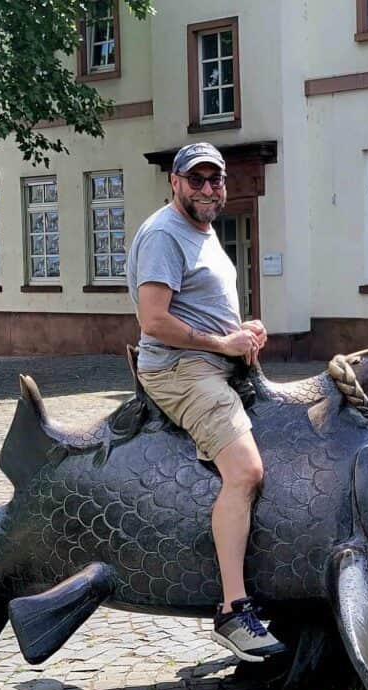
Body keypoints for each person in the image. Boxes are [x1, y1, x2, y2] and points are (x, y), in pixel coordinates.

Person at [125, 142, 286, 662]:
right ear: (174, 182)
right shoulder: (164, 235)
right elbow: (154, 321)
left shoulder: (203, 231)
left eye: (215, 179)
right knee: (245, 470)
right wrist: (221, 344)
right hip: (179, 369)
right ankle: (233, 611)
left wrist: (241, 331)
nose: (208, 188)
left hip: (216, 361)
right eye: (197, 179)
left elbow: (200, 305)